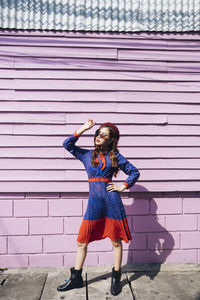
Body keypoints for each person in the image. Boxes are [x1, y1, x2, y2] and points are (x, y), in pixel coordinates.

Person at [57, 119, 140, 296]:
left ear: (111, 140)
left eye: (103, 135)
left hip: (112, 202)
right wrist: (84, 128)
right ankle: (76, 277)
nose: (98, 136)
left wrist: (122, 187)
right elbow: (67, 144)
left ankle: (116, 276)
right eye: (97, 133)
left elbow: (134, 172)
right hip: (94, 203)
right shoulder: (86, 155)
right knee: (81, 241)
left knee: (116, 241)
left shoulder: (116, 157)